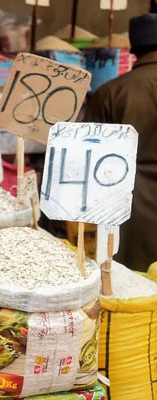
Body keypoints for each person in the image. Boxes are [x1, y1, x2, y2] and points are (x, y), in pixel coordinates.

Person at [85, 13, 157, 272]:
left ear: (135, 48)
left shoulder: (110, 92)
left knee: (135, 280)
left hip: (129, 201)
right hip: (130, 194)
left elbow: (90, 155)